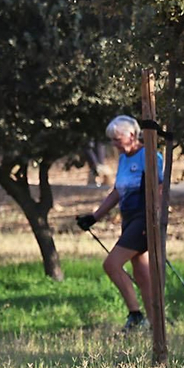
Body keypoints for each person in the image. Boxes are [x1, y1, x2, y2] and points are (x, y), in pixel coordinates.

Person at [77, 115, 165, 331]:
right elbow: (118, 191)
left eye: (117, 139)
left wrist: (155, 219)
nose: (114, 144)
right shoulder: (124, 159)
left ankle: (135, 316)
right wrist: (95, 217)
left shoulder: (151, 156)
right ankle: (155, 325)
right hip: (129, 218)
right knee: (142, 274)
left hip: (144, 219)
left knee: (112, 264)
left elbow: (161, 189)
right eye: (112, 140)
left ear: (132, 135)